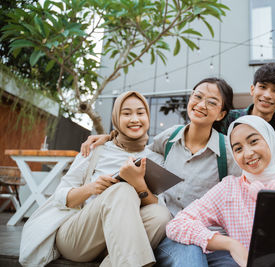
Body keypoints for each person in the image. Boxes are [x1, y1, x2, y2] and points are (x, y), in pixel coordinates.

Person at [80, 78, 275, 267]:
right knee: (190, 256)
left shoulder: (231, 148)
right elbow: (141, 145)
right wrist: (110, 139)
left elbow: (258, 173)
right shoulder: (168, 137)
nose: (201, 104)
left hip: (213, 236)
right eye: (198, 96)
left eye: (212, 102)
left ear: (222, 114)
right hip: (170, 232)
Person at [19, 91, 171, 267]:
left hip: (113, 243)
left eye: (140, 113)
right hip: (77, 238)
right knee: (122, 190)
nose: (134, 119)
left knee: (161, 215)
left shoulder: (155, 158)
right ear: (116, 118)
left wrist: (139, 186)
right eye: (127, 113)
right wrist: (91, 188)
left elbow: (161, 207)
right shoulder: (96, 149)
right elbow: (60, 196)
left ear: (148, 116)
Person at [166, 115, 275, 267]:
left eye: (254, 141)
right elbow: (177, 225)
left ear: (270, 139)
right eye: (238, 148)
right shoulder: (228, 190)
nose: (248, 153)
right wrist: (231, 244)